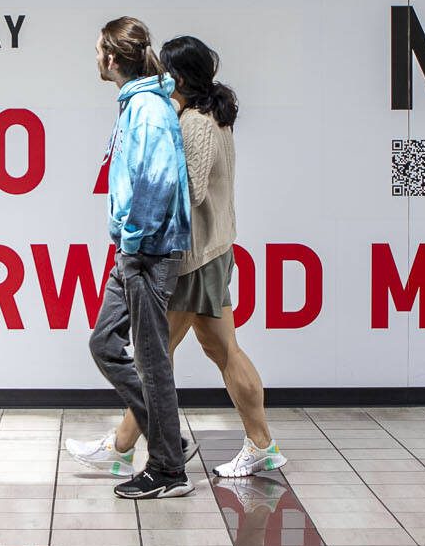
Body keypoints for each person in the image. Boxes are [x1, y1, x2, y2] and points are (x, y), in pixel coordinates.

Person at [68, 36, 285, 479]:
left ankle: (127, 445)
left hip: (194, 256)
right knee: (220, 350)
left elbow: (190, 190)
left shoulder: (196, 124)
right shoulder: (208, 115)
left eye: (166, 73)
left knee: (156, 355)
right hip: (213, 250)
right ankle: (258, 443)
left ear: (179, 78)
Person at [81, 16, 194, 499]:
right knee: (105, 343)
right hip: (133, 252)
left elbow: (159, 182)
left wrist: (132, 240)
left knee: (151, 362)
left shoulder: (147, 109)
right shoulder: (136, 105)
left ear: (111, 57)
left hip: (146, 253)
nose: (94, 58)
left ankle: (169, 471)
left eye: (97, 49)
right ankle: (168, 440)